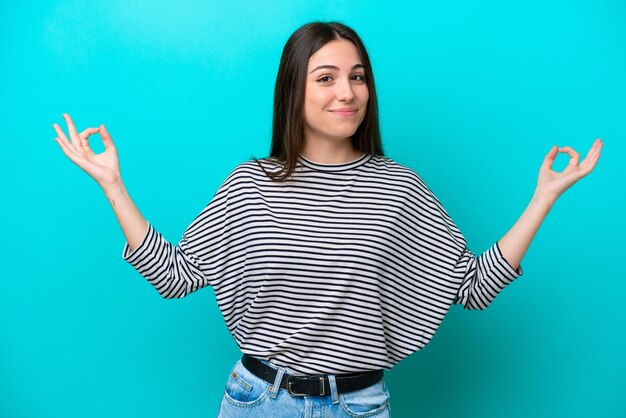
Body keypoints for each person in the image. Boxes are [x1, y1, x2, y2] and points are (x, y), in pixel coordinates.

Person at [52, 21, 602, 418]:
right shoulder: (250, 184)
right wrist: (113, 185)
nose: (347, 92)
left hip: (359, 406)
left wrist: (543, 197)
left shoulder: (398, 186)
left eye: (358, 77)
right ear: (294, 89)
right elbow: (176, 277)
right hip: (256, 402)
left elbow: (472, 287)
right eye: (326, 77)